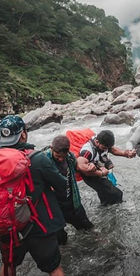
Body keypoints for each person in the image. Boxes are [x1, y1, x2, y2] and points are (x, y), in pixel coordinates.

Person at [0, 115, 67, 276]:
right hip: (39, 225)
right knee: (53, 268)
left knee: (9, 264)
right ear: (23, 134)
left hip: (7, 226)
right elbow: (61, 184)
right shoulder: (37, 158)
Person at [44, 135, 94, 245]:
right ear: (51, 148)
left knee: (87, 228)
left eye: (63, 156)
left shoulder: (70, 157)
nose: (61, 159)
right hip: (54, 205)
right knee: (60, 239)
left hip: (71, 200)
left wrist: (90, 167)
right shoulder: (43, 160)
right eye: (58, 156)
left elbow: (78, 167)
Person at [77, 130, 135, 206]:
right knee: (117, 194)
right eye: (104, 147)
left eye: (107, 148)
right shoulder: (88, 150)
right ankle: (116, 210)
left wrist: (126, 153)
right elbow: (79, 165)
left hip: (99, 168)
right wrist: (100, 173)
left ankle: (104, 206)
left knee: (105, 193)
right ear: (97, 142)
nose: (106, 149)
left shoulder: (102, 142)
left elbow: (112, 150)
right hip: (90, 175)